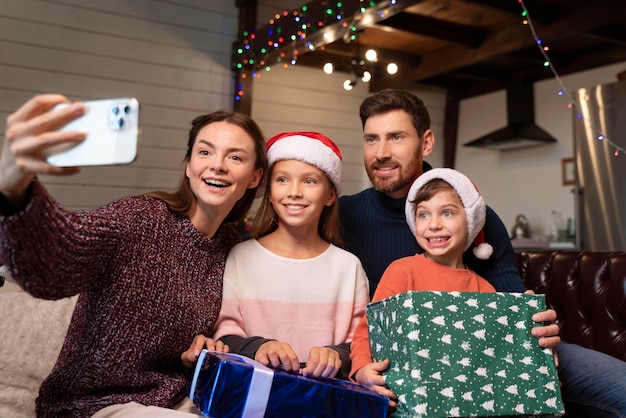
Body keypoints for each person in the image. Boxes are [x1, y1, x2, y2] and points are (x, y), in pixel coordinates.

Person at [339, 89, 626, 418]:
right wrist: (358, 366)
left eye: (397, 137)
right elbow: (365, 326)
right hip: (410, 364)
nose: (382, 152)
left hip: (484, 357)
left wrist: (536, 330)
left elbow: (508, 309)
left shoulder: (478, 216)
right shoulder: (347, 215)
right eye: (371, 139)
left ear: (426, 142)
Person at [0, 94, 268, 418]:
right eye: (205, 151)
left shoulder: (230, 246)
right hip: (96, 403)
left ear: (254, 177)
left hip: (177, 399)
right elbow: (55, 262)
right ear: (189, 165)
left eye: (235, 157)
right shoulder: (140, 218)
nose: (217, 164)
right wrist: (15, 189)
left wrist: (205, 346)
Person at [203, 131, 370, 380]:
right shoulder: (240, 257)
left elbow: (360, 342)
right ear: (269, 192)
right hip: (253, 397)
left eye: (309, 181)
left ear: (330, 195)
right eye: (282, 179)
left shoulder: (348, 267)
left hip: (321, 401)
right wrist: (260, 347)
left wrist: (335, 354)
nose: (294, 192)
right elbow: (224, 336)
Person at [351, 168, 500, 404]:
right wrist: (361, 370)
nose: (434, 225)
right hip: (405, 398)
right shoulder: (402, 271)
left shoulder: (485, 290)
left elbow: (493, 356)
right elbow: (368, 333)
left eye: (447, 213)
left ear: (470, 220)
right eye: (423, 215)